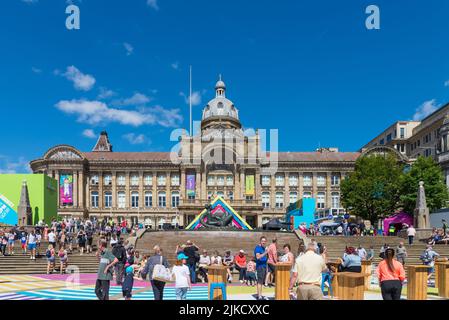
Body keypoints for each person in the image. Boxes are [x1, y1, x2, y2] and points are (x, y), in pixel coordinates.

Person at [254, 236, 268, 300]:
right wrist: (265, 252)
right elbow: (258, 257)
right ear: (260, 241)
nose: (264, 242)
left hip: (264, 266)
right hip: (260, 267)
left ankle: (260, 295)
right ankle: (259, 296)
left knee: (261, 281)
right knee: (260, 282)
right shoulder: (258, 248)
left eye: (265, 241)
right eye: (262, 241)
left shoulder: (263, 248)